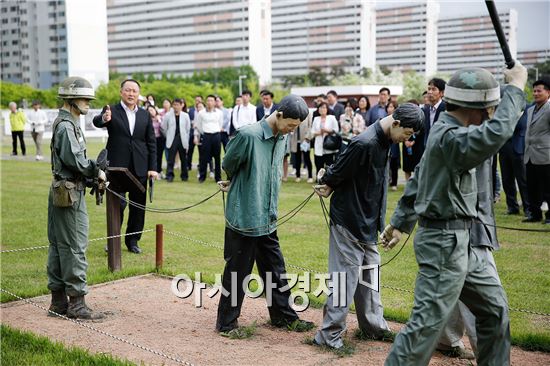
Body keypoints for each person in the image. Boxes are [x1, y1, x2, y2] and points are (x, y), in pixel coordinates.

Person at [380, 63, 527, 366]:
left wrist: (400, 222)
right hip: (444, 245)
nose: (491, 112)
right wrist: (515, 89)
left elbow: (420, 178)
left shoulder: (446, 131)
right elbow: (495, 134)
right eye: (490, 106)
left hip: (462, 241)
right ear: (477, 106)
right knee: (425, 328)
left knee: (493, 309)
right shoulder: (452, 137)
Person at [313, 103, 424, 350]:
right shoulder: (364, 143)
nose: (409, 139)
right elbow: (337, 172)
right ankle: (328, 335)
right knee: (345, 279)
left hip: (369, 222)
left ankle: (373, 327)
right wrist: (326, 180)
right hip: (349, 221)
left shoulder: (385, 141)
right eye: (408, 133)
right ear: (396, 124)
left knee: (370, 276)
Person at [216, 94, 314, 335]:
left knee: (276, 271)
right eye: (290, 125)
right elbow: (228, 163)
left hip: (268, 218)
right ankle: (226, 324)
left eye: (296, 128)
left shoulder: (281, 137)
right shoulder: (248, 135)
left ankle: (283, 317)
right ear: (278, 115)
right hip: (245, 217)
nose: (291, 131)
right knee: (238, 273)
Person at [48, 76, 107, 320]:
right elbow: (77, 162)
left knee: (59, 247)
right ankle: (77, 305)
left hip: (64, 190)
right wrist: (97, 170)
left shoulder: (67, 123)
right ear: (71, 99)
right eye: (84, 99)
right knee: (74, 247)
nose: (87, 104)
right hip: (71, 194)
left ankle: (59, 303)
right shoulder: (66, 126)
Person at [436, 155, 500, 360]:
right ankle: (488, 357)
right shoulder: (463, 132)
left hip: (475, 222)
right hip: (465, 226)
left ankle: (446, 339)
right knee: (485, 297)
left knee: (455, 283)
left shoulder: (485, 130)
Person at [92, 79, 157, 254]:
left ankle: (133, 241)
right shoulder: (111, 110)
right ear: (121, 92)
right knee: (117, 205)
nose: (131, 94)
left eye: (134, 91)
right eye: (127, 90)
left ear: (138, 94)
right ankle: (113, 240)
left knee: (138, 207)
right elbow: (97, 121)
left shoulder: (145, 114)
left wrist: (153, 167)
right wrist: (103, 118)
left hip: (140, 167)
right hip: (116, 168)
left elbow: (151, 142)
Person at [523, 77, 550, 224]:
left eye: (539, 91)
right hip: (530, 154)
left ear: (548, 93)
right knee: (532, 186)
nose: (535, 93)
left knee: (548, 187)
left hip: (545, 154)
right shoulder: (530, 109)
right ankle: (535, 214)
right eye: (534, 91)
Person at [500, 102, 532, 216]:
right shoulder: (505, 108)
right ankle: (512, 207)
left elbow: (521, 125)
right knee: (507, 180)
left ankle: (528, 208)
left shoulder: (529, 108)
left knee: (523, 180)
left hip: (520, 148)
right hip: (504, 147)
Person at [194, 95, 223, 183]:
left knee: (217, 157)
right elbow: (198, 125)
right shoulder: (201, 113)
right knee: (204, 157)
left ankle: (218, 177)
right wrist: (204, 133)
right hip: (206, 136)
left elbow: (220, 124)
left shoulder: (219, 112)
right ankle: (202, 177)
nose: (209, 102)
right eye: (208, 101)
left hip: (216, 136)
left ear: (214, 102)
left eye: (211, 100)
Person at [162, 98, 190, 182]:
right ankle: (169, 176)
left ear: (181, 105)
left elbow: (187, 129)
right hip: (172, 139)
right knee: (170, 159)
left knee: (183, 159)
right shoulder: (168, 115)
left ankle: (184, 176)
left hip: (182, 139)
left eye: (177, 105)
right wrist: (168, 136)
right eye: (174, 105)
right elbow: (164, 128)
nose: (175, 107)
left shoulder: (185, 115)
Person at [312, 102, 339, 174]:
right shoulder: (316, 119)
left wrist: (327, 131)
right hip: (318, 144)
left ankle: (328, 180)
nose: (322, 109)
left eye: (324, 107)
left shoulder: (332, 118)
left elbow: (336, 130)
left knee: (329, 165)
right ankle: (319, 180)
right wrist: (320, 133)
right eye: (320, 107)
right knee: (318, 164)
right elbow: (312, 132)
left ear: (327, 109)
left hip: (329, 144)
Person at [289, 109, 314, 183]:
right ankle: (298, 175)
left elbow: (310, 126)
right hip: (296, 140)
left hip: (305, 140)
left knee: (307, 158)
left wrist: (308, 137)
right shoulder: (293, 114)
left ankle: (310, 176)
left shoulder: (308, 113)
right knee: (297, 159)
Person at [386, 101, 401, 191]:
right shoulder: (384, 119)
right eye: (388, 107)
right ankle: (387, 181)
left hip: (394, 144)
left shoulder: (398, 120)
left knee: (394, 164)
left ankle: (394, 183)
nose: (389, 108)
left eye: (391, 107)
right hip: (386, 144)